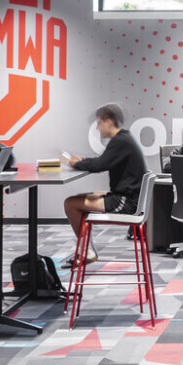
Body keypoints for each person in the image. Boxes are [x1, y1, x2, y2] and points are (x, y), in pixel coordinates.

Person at [64, 105, 147, 265]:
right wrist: (82, 161)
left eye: (99, 122)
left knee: (70, 204)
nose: (97, 127)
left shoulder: (120, 141)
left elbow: (99, 165)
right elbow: (101, 161)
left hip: (126, 202)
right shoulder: (124, 139)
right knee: (84, 198)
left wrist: (76, 164)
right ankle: (86, 249)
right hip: (128, 198)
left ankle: (86, 251)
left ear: (109, 121)